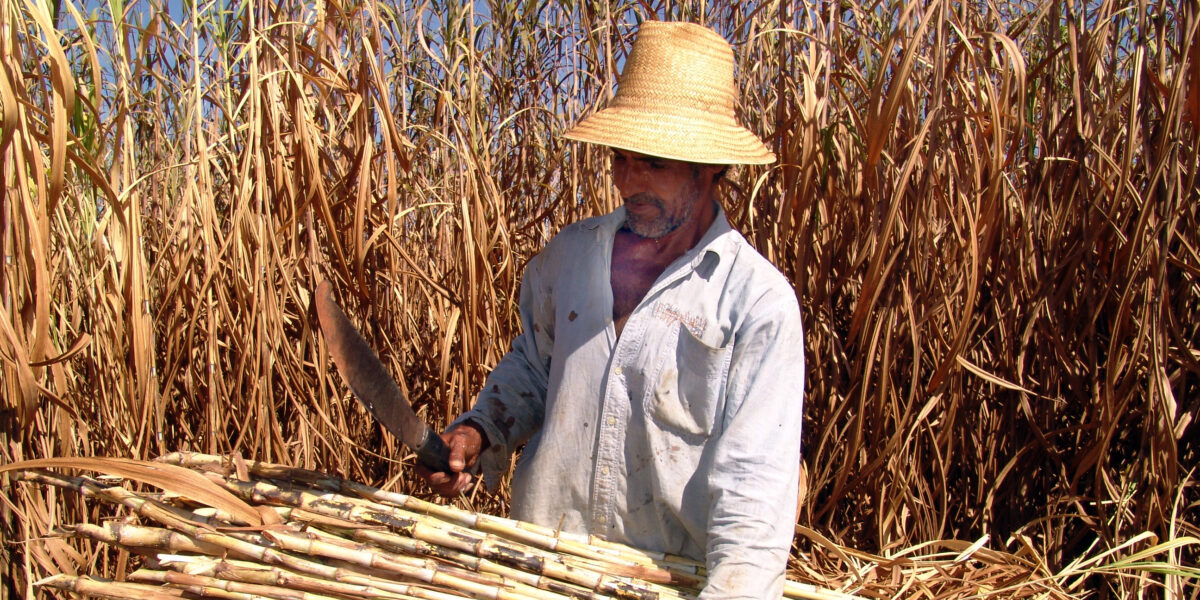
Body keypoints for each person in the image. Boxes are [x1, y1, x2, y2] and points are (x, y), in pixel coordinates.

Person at [419, 21, 805, 600]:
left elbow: (752, 500)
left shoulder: (755, 303)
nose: (628, 180)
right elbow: (535, 365)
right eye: (620, 159)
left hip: (664, 583)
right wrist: (479, 431)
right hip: (539, 571)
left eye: (652, 162)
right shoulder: (571, 259)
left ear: (711, 168)